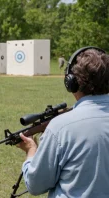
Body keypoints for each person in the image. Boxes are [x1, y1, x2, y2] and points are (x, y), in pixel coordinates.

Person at [17, 47, 109, 197]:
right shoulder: (60, 126)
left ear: (70, 82)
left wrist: (31, 150)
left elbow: (36, 185)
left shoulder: (60, 127)